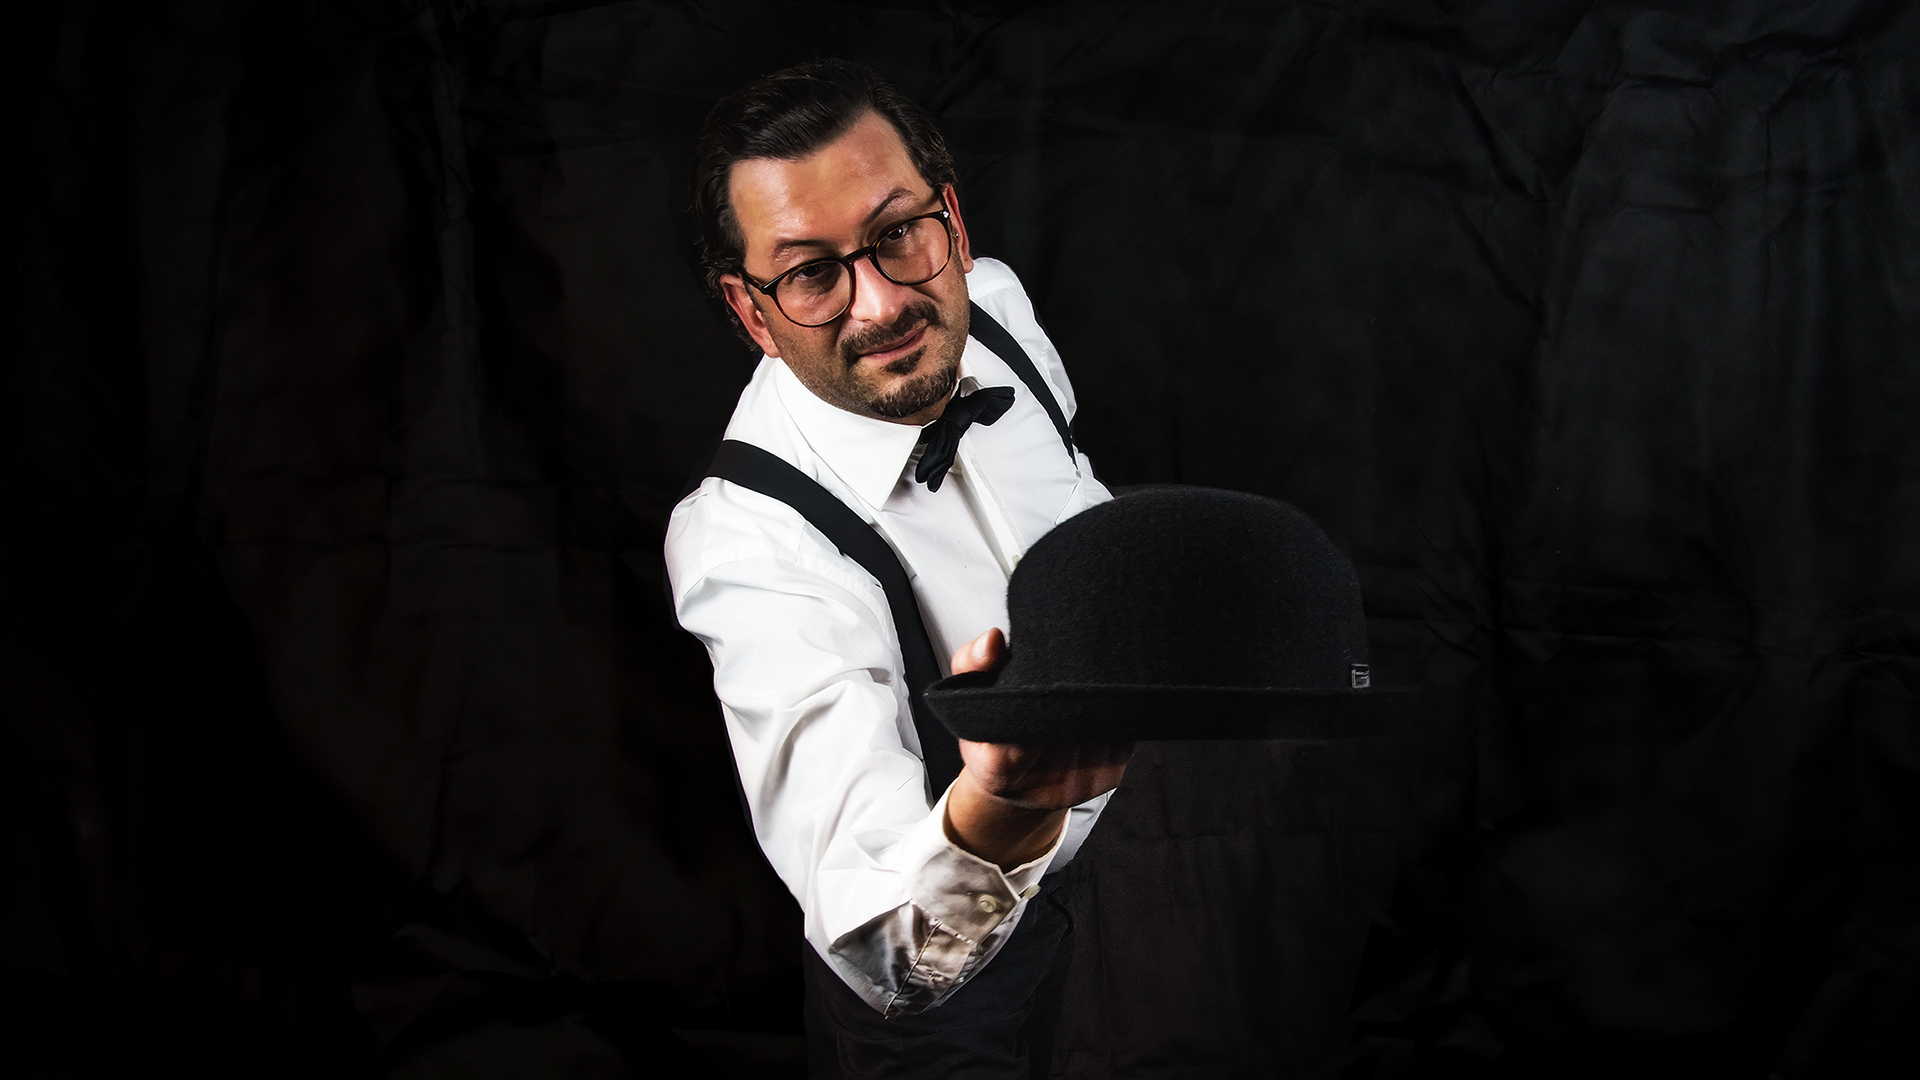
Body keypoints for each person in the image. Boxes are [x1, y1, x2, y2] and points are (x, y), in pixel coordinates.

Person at [665, 59, 1131, 1077]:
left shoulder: (991, 303)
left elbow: (1069, 477)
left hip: (1136, 881)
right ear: (752, 313)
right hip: (947, 987)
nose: (881, 304)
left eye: (896, 235)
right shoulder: (749, 541)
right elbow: (879, 942)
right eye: (810, 273)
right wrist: (1006, 812)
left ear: (950, 220)